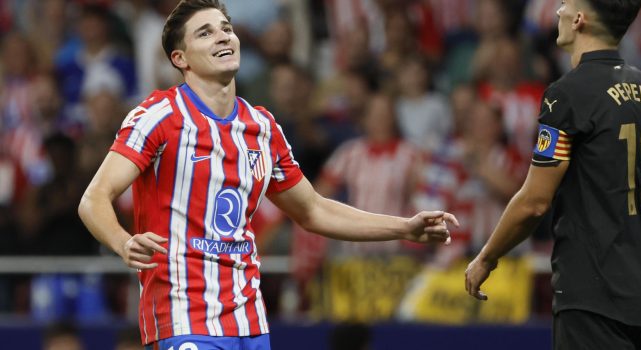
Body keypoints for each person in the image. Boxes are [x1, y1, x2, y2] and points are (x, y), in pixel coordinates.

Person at [77, 1, 458, 349]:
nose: (223, 35)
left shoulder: (261, 127)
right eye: (205, 32)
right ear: (181, 59)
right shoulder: (159, 115)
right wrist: (122, 242)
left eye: (226, 27)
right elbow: (94, 199)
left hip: (249, 320)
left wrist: (404, 227)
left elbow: (313, 211)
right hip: (183, 315)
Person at [463, 1, 641, 349]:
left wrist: (487, 257)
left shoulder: (567, 95)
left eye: (565, 3)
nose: (558, 10)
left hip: (591, 296)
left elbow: (535, 202)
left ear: (579, 19)